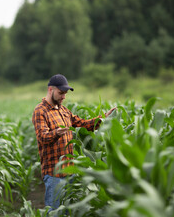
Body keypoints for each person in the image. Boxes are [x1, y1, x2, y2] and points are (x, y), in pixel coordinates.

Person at [32, 74, 117, 212]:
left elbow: (83, 124)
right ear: (50, 90)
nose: (63, 97)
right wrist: (57, 133)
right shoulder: (40, 111)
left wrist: (102, 119)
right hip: (54, 173)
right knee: (54, 212)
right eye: (61, 93)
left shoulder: (64, 110)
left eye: (65, 94)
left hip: (69, 171)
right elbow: (42, 137)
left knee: (67, 212)